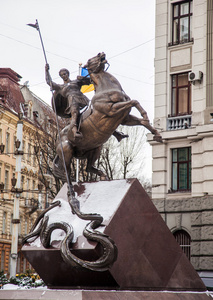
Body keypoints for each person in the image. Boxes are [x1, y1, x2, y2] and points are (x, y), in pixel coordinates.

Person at [45, 64, 90, 139]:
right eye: (62, 75)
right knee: (74, 110)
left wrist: (83, 77)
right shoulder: (60, 87)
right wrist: (46, 71)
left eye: (64, 74)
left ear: (68, 74)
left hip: (82, 100)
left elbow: (90, 80)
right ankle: (75, 130)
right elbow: (49, 82)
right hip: (72, 102)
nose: (64, 76)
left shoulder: (76, 82)